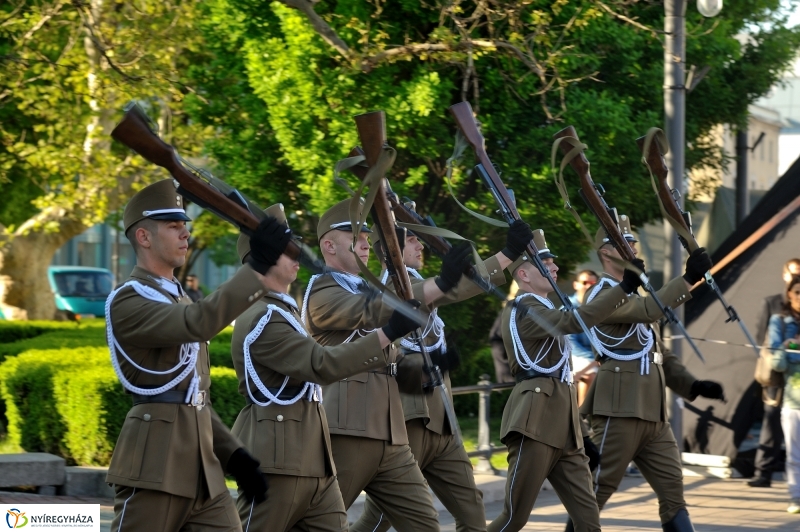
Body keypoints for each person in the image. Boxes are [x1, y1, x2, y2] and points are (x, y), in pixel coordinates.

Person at [302, 198, 531, 531]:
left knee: (427, 523)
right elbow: (373, 310)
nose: (365, 243)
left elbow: (390, 358)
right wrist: (440, 283)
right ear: (329, 246)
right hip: (350, 426)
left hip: (392, 430)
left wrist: (430, 367)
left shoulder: (372, 287)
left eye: (367, 237)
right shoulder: (322, 292)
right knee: (322, 521)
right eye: (356, 237)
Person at [229, 204, 421, 531]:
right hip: (276, 462)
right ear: (261, 258)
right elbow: (323, 364)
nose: (298, 253)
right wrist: (388, 332)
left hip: (315, 464)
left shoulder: (282, 313)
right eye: (287, 248)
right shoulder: (263, 317)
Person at [105, 179, 272, 531]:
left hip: (204, 473)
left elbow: (192, 397)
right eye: (173, 226)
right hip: (155, 465)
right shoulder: (129, 299)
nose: (185, 234)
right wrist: (257, 266)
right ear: (144, 237)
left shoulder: (178, 298)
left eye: (184, 226)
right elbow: (199, 323)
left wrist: (234, 455)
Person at [353, 212, 515, 532]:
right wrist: (507, 255)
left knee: (471, 511)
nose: (420, 243)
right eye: (411, 238)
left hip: (442, 421)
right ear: (390, 251)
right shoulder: (395, 288)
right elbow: (455, 289)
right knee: (379, 519)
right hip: (409, 418)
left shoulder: (415, 284)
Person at [571, 214, 724, 532]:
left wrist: (692, 385)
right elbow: (647, 311)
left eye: (632, 241)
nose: (632, 246)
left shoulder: (634, 295)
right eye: (623, 242)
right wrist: (687, 279)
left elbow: (657, 353)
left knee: (674, 495)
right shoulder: (600, 295)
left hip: (653, 414)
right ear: (605, 252)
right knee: (594, 493)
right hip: (620, 409)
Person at [487, 228, 640, 532]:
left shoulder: (544, 307)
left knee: (588, 521)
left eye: (553, 262)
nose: (555, 267)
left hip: (566, 427)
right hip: (536, 422)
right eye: (545, 264)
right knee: (514, 517)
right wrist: (621, 289)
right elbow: (571, 322)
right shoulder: (523, 308)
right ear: (524, 274)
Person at [749, 258, 800, 488]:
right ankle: (763, 472)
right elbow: (761, 338)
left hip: (794, 376)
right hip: (775, 372)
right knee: (771, 421)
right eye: (793, 273)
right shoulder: (771, 304)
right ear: (785, 276)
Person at [769, 274, 800, 513]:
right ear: (789, 294)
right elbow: (778, 364)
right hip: (793, 398)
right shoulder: (779, 321)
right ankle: (796, 496)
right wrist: (789, 344)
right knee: (794, 453)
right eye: (797, 292)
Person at [567, 269, 600, 405]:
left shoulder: (602, 307)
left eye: (592, 282)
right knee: (590, 373)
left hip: (597, 355)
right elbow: (570, 343)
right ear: (576, 285)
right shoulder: (568, 307)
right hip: (572, 354)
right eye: (584, 282)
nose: (588, 286)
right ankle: (581, 416)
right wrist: (596, 358)